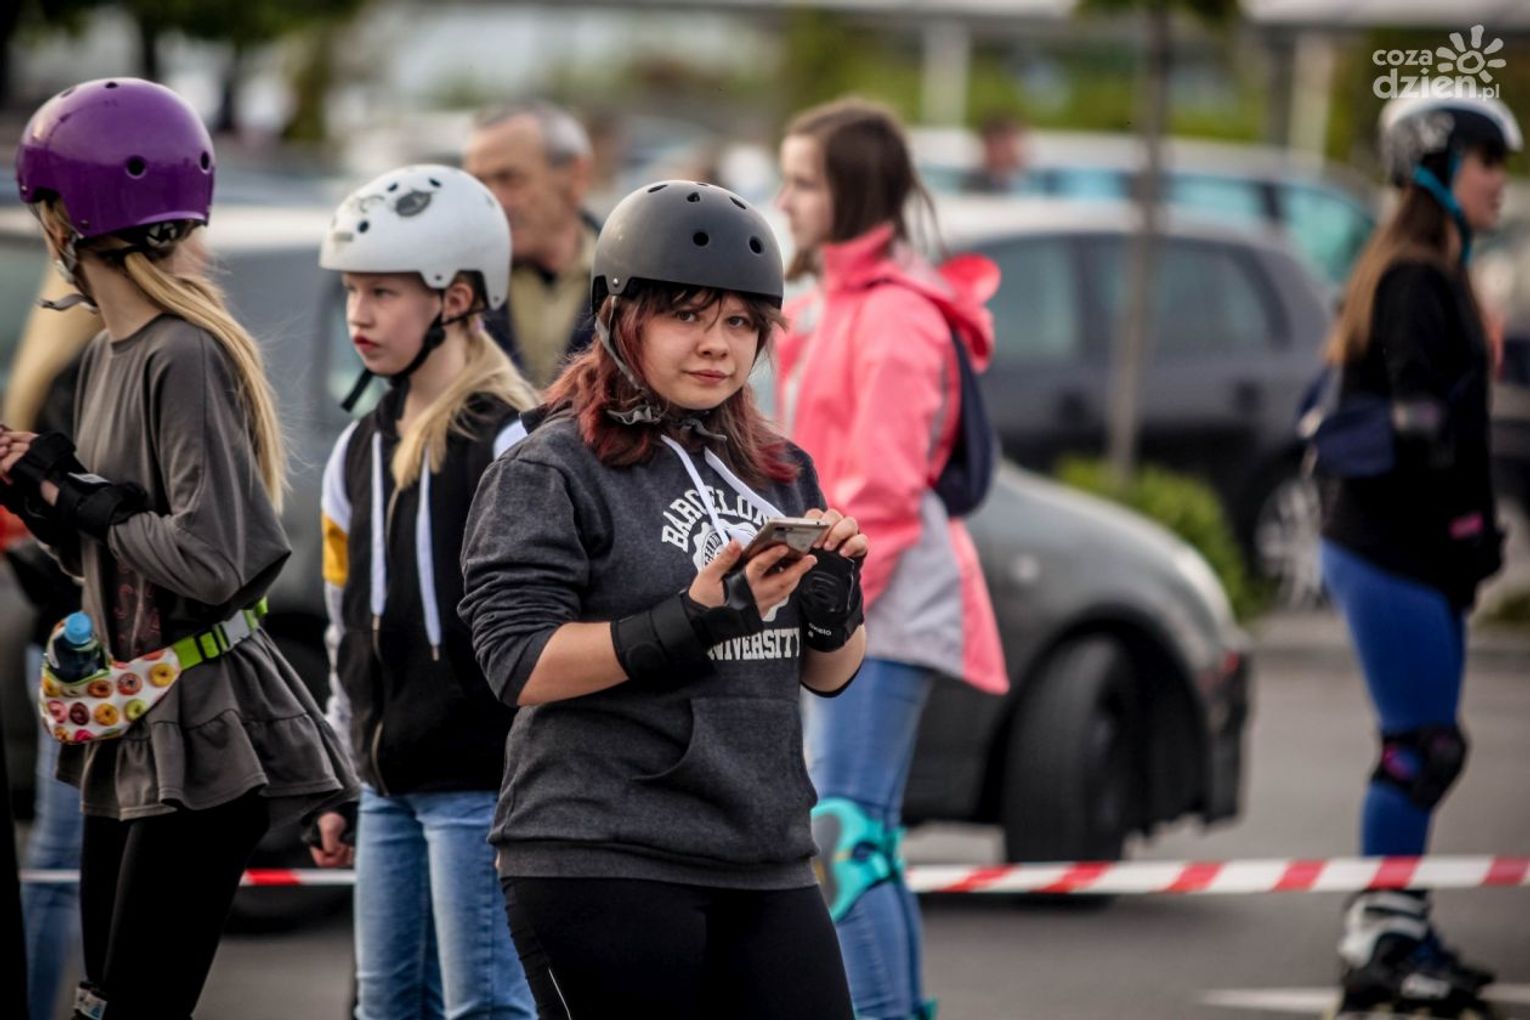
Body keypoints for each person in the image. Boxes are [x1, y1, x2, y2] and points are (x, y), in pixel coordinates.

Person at [459, 180, 864, 1019]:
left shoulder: (780, 470)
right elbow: (516, 663)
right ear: (620, 316)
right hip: (602, 850)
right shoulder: (549, 469)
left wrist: (835, 603)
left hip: (764, 852)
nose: (717, 345)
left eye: (741, 323)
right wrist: (695, 618)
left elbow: (827, 675)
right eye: (686, 315)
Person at [0, 77, 358, 1020]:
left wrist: (81, 500)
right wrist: (43, 500)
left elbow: (218, 560)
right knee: (102, 1004)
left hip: (198, 741)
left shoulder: (181, 352)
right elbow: (118, 560)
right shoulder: (105, 356)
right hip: (129, 731)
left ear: (63, 219)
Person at [774, 97, 1008, 1020]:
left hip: (887, 597)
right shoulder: (827, 302)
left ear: (855, 190)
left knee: (845, 831)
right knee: (864, 833)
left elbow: (884, 496)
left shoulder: (900, 317)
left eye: (803, 182)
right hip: (854, 589)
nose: (784, 201)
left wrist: (821, 613)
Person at [310, 164, 538, 1020]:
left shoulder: (511, 444)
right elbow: (342, 626)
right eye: (351, 291)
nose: (359, 314)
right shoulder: (356, 449)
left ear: (458, 298)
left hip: (480, 786)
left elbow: (543, 629)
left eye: (383, 292)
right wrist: (341, 771)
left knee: (485, 1006)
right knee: (385, 1005)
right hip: (385, 786)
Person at [1317, 94, 1520, 1019]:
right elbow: (1420, 430)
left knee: (1426, 745)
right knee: (1421, 748)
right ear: (1438, 166)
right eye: (1488, 161)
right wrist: (1467, 526)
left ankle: (1399, 926)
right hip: (1388, 548)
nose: (1501, 182)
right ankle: (1383, 941)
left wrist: (1469, 536)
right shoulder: (1414, 279)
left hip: (1408, 551)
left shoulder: (1431, 272)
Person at [2, 266, 100, 1020]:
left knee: (60, 855)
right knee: (68, 856)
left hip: (63, 637)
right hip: (90, 644)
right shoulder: (95, 372)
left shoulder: (52, 369)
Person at [463, 101, 600, 387]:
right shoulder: (456, 287)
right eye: (480, 183)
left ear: (576, 176)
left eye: (510, 179)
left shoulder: (636, 279)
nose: (494, 201)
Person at [962, 112, 1028, 195]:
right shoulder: (972, 182)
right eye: (996, 145)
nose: (1001, 152)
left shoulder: (1037, 180)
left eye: (1006, 145)